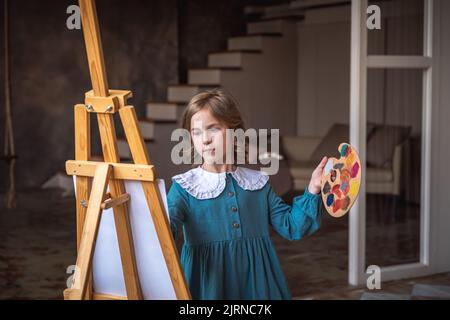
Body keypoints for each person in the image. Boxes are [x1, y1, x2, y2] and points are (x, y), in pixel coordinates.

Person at [167, 89, 327, 299]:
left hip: (258, 286)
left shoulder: (257, 183)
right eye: (196, 132)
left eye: (213, 128)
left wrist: (313, 188)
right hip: (208, 285)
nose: (204, 139)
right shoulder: (185, 187)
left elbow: (292, 226)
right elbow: (165, 232)